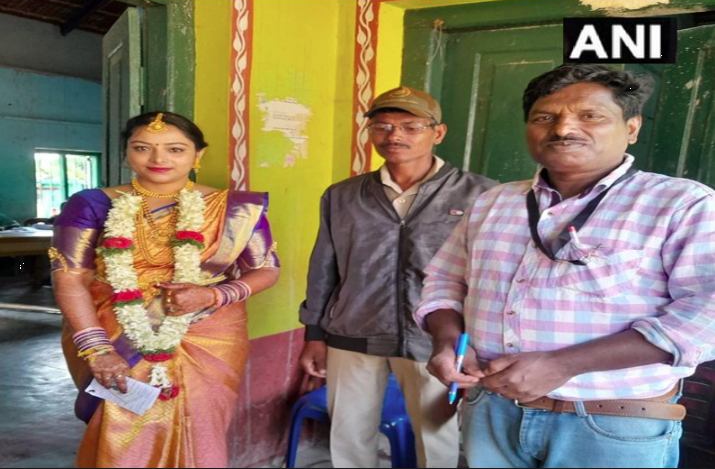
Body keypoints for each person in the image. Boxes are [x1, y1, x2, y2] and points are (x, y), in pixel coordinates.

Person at [416, 63, 715, 468]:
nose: (562, 129)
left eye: (590, 116)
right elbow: (444, 281)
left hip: (610, 424)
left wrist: (563, 365)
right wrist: (446, 341)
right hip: (491, 409)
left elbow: (706, 315)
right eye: (545, 117)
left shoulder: (682, 204)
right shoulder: (493, 202)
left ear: (632, 128)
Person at [49, 111, 280, 468]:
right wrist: (98, 349)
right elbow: (69, 277)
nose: (158, 159)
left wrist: (213, 295)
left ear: (198, 155)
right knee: (120, 425)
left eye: (175, 149)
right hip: (116, 333)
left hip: (212, 336)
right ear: (126, 152)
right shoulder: (92, 204)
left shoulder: (234, 209)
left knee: (201, 424)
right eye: (143, 148)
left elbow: (265, 269)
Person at [299, 86, 496, 468]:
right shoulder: (343, 195)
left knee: (436, 437)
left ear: (438, 133)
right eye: (382, 127)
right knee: (349, 433)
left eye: (410, 126)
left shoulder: (481, 194)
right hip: (352, 330)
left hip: (437, 338)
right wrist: (314, 333)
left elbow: (490, 274)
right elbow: (324, 265)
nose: (394, 136)